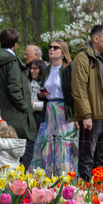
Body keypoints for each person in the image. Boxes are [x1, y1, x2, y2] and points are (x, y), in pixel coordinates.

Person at [72, 25, 103, 181]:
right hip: (91, 117)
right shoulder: (82, 58)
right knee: (87, 158)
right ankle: (85, 190)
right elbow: (79, 89)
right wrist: (86, 115)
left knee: (101, 159)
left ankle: (99, 191)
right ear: (95, 39)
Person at [0, 28, 37, 168]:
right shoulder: (12, 62)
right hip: (15, 116)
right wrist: (25, 107)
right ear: (15, 44)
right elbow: (14, 89)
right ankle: (19, 180)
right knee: (26, 147)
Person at [29, 40, 78, 175]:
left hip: (64, 112)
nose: (51, 49)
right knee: (45, 146)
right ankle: (46, 178)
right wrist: (40, 94)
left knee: (63, 146)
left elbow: (76, 94)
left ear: (63, 52)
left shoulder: (69, 69)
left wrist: (77, 116)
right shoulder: (46, 70)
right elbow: (42, 92)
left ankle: (65, 178)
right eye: (50, 47)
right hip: (48, 112)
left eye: (56, 47)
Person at [28, 59, 47, 131]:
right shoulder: (28, 83)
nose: (32, 71)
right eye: (31, 68)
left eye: (35, 68)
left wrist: (33, 105)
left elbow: (48, 104)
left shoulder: (46, 84)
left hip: (41, 116)